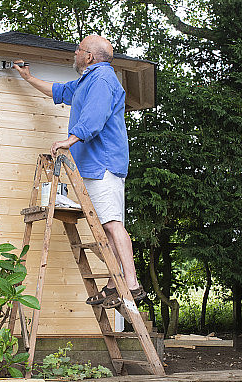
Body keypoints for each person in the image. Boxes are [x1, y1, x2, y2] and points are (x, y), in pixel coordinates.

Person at [13, 34, 146, 309]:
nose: (75, 52)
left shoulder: (102, 80)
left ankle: (131, 284)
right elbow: (59, 90)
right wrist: (28, 78)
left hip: (104, 164)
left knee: (112, 224)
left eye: (79, 49)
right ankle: (113, 283)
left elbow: (94, 119)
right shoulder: (88, 81)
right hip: (93, 165)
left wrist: (69, 140)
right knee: (104, 227)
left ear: (89, 56)